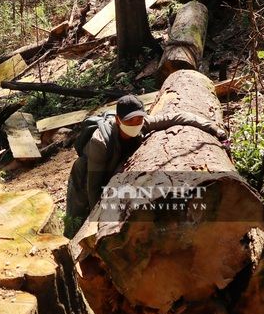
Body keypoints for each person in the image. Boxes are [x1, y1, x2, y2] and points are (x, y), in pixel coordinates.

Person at [64, 95, 228, 238]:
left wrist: (213, 128)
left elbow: (177, 117)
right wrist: (97, 222)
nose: (136, 124)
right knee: (76, 220)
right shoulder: (100, 142)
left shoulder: (142, 123)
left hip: (112, 170)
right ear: (117, 120)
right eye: (130, 120)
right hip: (85, 176)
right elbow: (93, 187)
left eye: (139, 119)